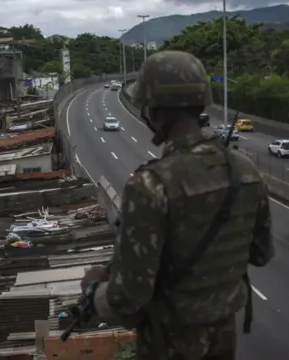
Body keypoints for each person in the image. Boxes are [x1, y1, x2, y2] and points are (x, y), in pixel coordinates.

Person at [80, 50, 275, 359]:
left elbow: (129, 298)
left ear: (155, 111)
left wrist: (94, 292)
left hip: (168, 344)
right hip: (223, 341)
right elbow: (261, 254)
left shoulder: (151, 185)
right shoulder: (245, 171)